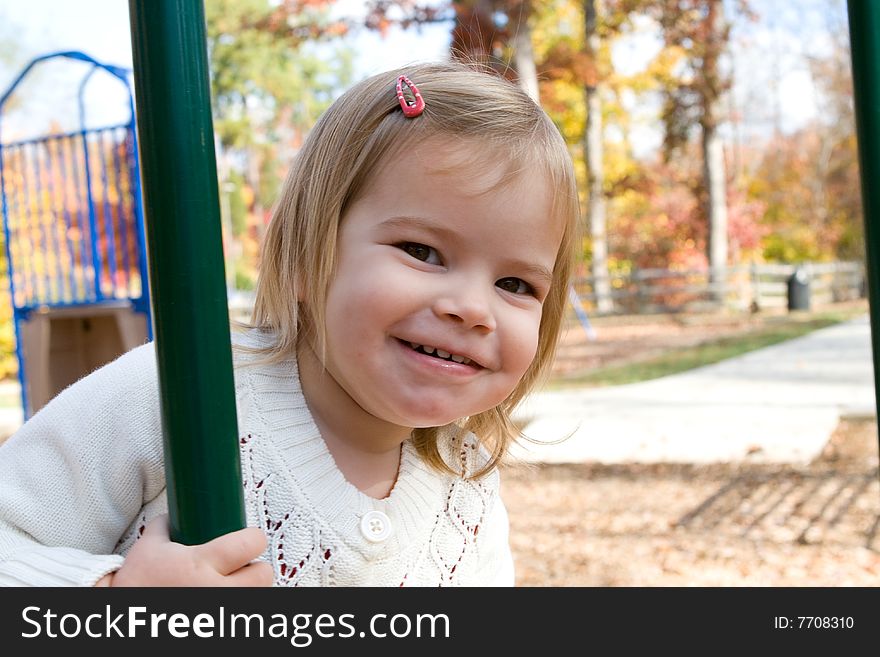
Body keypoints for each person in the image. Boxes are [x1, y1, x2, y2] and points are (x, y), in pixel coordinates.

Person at [0, 61, 578, 586]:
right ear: (307, 255)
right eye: (422, 251)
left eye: (515, 285)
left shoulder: (467, 486)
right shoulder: (179, 395)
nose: (472, 309)